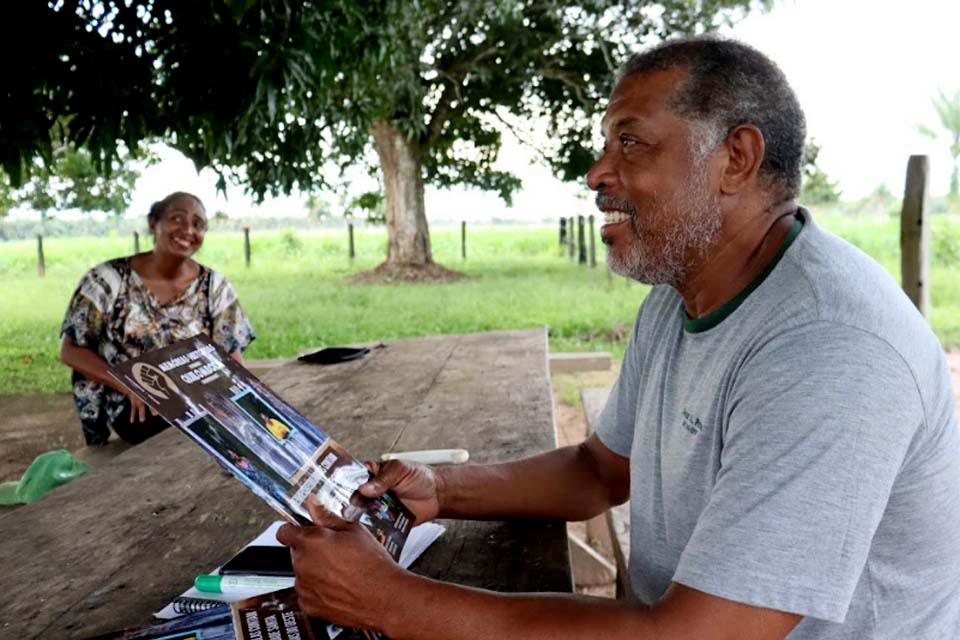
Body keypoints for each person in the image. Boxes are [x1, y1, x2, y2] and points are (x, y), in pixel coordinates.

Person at [276, 37, 960, 639]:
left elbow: (697, 639)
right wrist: (440, 489)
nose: (598, 173)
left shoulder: (830, 349)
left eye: (630, 142)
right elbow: (599, 471)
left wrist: (393, 602)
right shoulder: (681, 293)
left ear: (736, 159)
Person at [60, 191, 255, 445]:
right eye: (177, 218)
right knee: (200, 433)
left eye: (198, 225)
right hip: (138, 408)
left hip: (202, 398)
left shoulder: (214, 287)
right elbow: (71, 351)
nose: (188, 229)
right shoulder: (107, 281)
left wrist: (248, 402)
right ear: (154, 222)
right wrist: (129, 385)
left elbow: (231, 355)